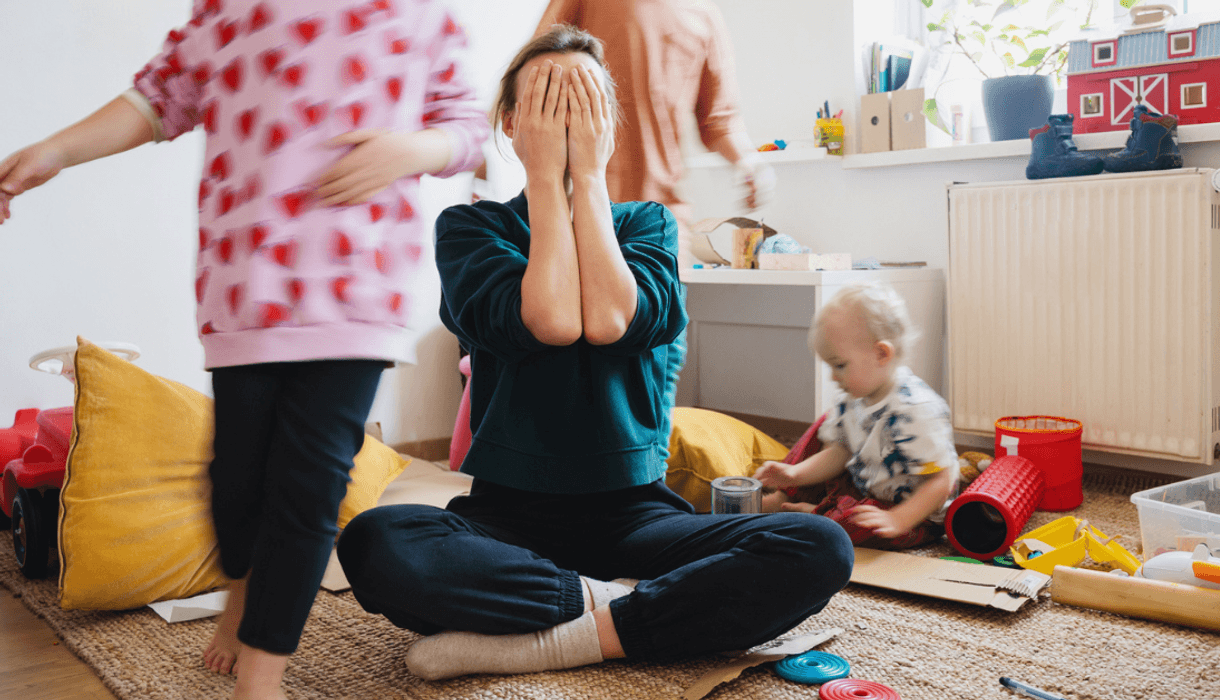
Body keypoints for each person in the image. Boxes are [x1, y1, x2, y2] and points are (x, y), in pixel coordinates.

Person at [334, 25, 853, 681]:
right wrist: (549, 180)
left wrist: (585, 173)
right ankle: (625, 611)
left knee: (818, 545)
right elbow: (550, 320)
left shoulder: (648, 225)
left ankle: (564, 634)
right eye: (549, 103)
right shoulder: (472, 228)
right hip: (504, 516)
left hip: (635, 516)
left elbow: (608, 319)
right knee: (377, 543)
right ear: (512, 122)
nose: (566, 121)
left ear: (609, 124)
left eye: (583, 106)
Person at [0, 2, 488, 698]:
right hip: (245, 291)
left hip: (357, 289)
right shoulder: (230, 10)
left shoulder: (415, 12)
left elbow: (467, 127)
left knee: (308, 484)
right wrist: (54, 152)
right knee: (236, 484)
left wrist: (411, 150)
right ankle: (242, 588)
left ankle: (263, 672)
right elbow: (156, 98)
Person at [475, 0, 775, 268]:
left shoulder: (704, 15)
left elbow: (720, 121)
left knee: (655, 325)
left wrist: (749, 162)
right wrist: (483, 153)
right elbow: (532, 76)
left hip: (662, 216)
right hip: (574, 207)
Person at [755, 283, 960, 550]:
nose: (832, 376)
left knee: (856, 525)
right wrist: (794, 474)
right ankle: (786, 496)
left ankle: (816, 515)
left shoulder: (915, 410)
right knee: (823, 428)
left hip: (912, 512)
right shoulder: (852, 397)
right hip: (864, 484)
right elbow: (839, 452)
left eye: (839, 365)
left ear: (881, 354)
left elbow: (940, 481)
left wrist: (898, 519)